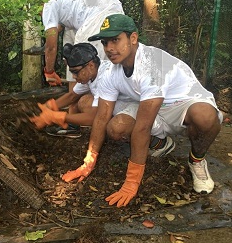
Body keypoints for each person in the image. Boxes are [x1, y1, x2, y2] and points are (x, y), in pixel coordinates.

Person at [62, 14, 223, 208]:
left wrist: (131, 182)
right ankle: (161, 144)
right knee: (116, 128)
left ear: (133, 38)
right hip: (151, 108)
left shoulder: (151, 64)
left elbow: (142, 127)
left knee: (205, 117)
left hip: (182, 106)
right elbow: (101, 117)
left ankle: (197, 160)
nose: (109, 48)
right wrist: (89, 160)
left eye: (115, 40)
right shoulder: (113, 72)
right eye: (105, 43)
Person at [30, 43, 176, 160]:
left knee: (115, 128)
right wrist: (49, 106)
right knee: (84, 101)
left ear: (91, 66)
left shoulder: (104, 77)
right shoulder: (92, 73)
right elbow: (72, 96)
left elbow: (95, 117)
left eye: (75, 71)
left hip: (143, 109)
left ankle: (159, 143)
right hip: (124, 107)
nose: (74, 76)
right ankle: (130, 135)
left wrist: (59, 117)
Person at [41, 0, 124, 91]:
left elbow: (51, 47)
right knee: (71, 47)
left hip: (101, 14)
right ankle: (74, 99)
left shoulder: (48, 6)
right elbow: (59, 27)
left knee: (84, 64)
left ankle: (90, 100)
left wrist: (49, 71)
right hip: (111, 7)